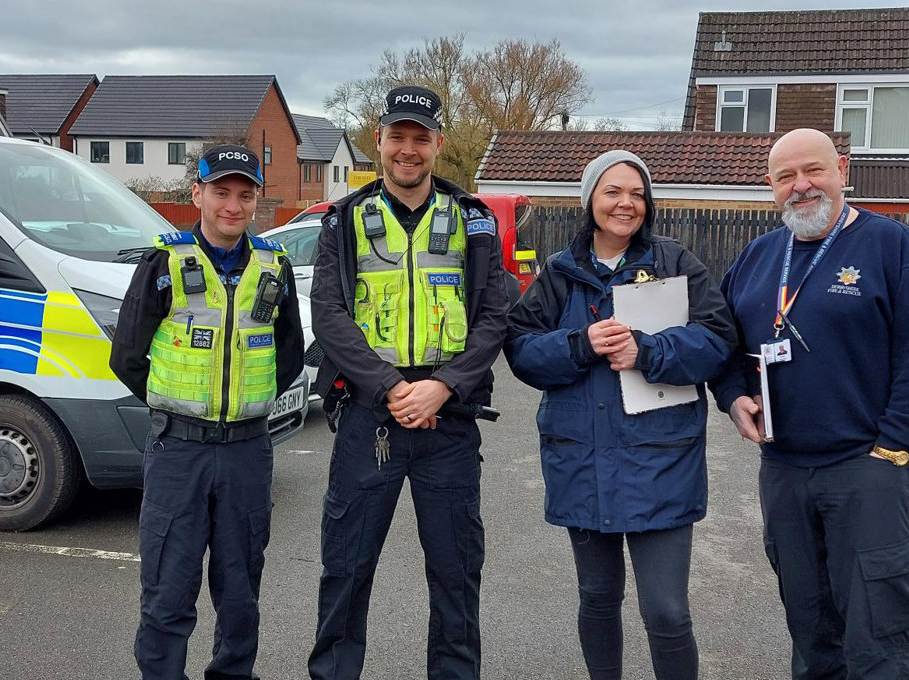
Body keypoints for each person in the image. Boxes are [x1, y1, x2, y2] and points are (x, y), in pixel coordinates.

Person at [711, 128, 909, 679]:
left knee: (877, 634)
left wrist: (892, 449)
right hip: (784, 470)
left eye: (814, 170)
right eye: (785, 177)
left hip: (867, 470)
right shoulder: (757, 257)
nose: (802, 186)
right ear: (771, 186)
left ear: (842, 170)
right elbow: (720, 344)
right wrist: (732, 398)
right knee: (810, 630)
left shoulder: (893, 247)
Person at [505, 150, 735, 680]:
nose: (625, 203)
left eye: (637, 193)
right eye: (612, 192)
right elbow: (520, 349)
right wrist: (579, 345)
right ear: (590, 201)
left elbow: (718, 341)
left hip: (661, 464)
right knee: (598, 599)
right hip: (581, 463)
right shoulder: (560, 274)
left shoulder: (677, 264)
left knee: (666, 611)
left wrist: (650, 352)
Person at [306, 85, 507, 680]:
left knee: (455, 571)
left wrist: (444, 386)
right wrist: (390, 387)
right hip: (373, 416)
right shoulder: (344, 219)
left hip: (450, 417)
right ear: (379, 140)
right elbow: (330, 314)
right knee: (346, 566)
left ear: (439, 144)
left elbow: (495, 313)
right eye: (398, 136)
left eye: (421, 138)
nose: (408, 149)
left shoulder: (474, 220)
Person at [110, 145, 304, 680]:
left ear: (256, 201)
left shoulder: (274, 267)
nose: (233, 206)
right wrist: (181, 404)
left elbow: (289, 355)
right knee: (169, 591)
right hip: (179, 451)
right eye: (221, 193)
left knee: (241, 593)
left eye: (245, 195)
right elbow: (127, 355)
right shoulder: (164, 263)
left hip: (247, 451)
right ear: (197, 193)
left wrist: (244, 402)